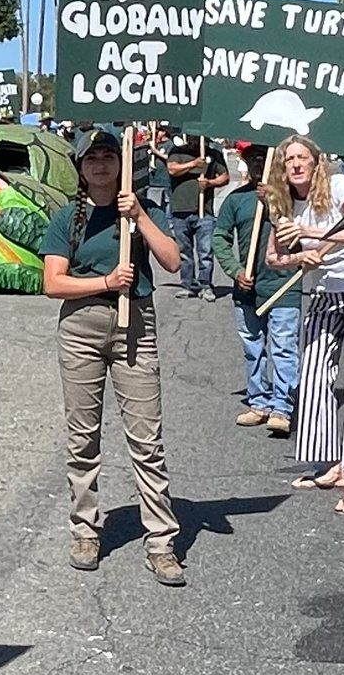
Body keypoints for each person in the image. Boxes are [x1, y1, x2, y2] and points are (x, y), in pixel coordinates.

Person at [41, 126, 186, 586]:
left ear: (122, 163)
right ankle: (85, 530)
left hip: (136, 327)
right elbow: (53, 283)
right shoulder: (69, 218)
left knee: (147, 441)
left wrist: (139, 215)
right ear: (80, 169)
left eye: (108, 154)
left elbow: (172, 260)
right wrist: (105, 283)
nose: (101, 163)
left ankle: (162, 542)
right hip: (82, 327)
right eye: (92, 158)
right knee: (83, 438)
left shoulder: (142, 212)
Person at [269, 134, 344, 515]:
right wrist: (296, 260)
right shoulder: (285, 203)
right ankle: (334, 463)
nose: (296, 165)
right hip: (322, 294)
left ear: (317, 162)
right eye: (289, 160)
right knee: (316, 376)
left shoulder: (338, 186)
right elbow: (274, 258)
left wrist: (311, 234)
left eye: (303, 157)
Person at [217, 144, 300, 436]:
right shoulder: (236, 200)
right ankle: (259, 402)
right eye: (251, 158)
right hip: (248, 287)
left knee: (283, 348)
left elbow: (300, 238)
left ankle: (283, 406)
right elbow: (220, 237)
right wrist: (235, 270)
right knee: (252, 347)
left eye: (263, 159)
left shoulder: (293, 197)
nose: (257, 163)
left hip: (283, 285)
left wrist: (275, 203)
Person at [164, 133, 219, 300]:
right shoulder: (177, 151)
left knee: (205, 252)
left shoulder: (213, 154)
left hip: (204, 211)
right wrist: (194, 164)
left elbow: (224, 177)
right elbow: (172, 169)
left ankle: (205, 285)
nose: (195, 139)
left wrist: (209, 183)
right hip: (180, 211)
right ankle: (187, 284)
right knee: (184, 252)